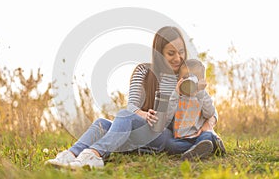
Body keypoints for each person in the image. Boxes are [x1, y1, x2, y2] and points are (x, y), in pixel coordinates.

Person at [46, 26, 219, 169]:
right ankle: (69, 156)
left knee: (124, 116)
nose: (178, 58)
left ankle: (94, 155)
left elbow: (208, 106)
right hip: (139, 128)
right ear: (159, 53)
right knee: (102, 123)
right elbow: (131, 107)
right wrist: (144, 115)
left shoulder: (184, 77)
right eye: (171, 53)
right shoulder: (143, 71)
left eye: (181, 52)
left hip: (163, 136)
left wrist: (208, 124)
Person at [164, 59, 225, 160]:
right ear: (179, 79)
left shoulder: (202, 96)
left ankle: (207, 145)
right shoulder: (176, 97)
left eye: (194, 78)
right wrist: (176, 94)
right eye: (185, 77)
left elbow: (210, 113)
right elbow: (167, 117)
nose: (189, 81)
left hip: (200, 135)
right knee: (170, 145)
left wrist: (201, 91)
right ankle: (198, 149)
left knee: (208, 135)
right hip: (182, 139)